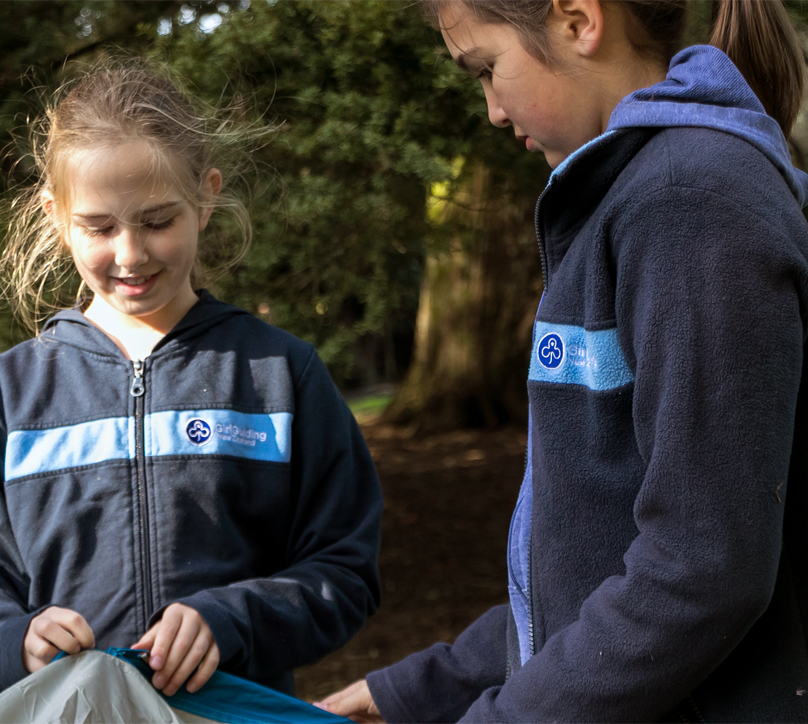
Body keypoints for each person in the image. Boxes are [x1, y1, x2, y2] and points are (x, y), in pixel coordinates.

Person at [318, 0, 808, 721]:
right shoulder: (639, 197)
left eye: (488, 69)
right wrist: (429, 687)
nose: (490, 109)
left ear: (579, 20)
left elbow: (702, 567)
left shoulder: (687, 202)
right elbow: (591, 559)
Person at [0, 61, 382, 705]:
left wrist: (232, 621)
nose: (131, 253)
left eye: (158, 220)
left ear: (206, 196)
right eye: (100, 227)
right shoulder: (11, 390)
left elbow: (345, 569)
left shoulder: (280, 373)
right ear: (57, 217)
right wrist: (15, 639)